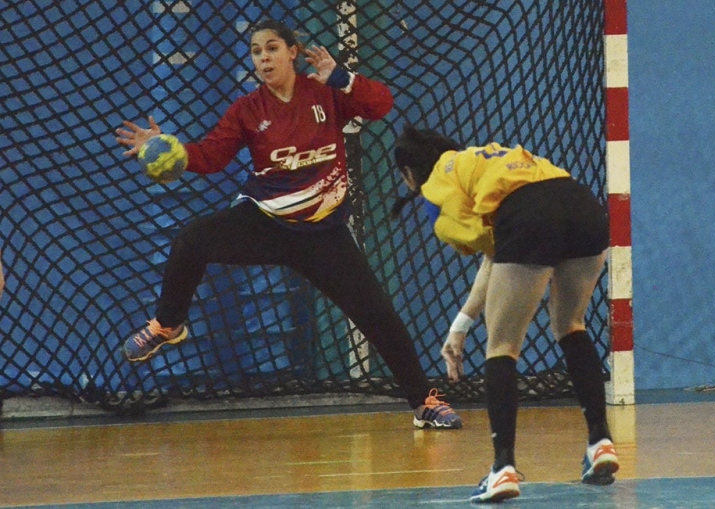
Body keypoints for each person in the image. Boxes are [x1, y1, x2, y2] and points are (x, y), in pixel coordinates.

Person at [114, 20, 462, 430]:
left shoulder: (325, 93)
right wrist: (166, 150)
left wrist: (343, 78)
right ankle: (168, 324)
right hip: (265, 222)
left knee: (378, 316)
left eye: (272, 48)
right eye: (256, 51)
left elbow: (381, 105)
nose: (263, 58)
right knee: (193, 239)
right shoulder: (247, 109)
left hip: (323, 234)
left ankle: (423, 403)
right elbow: (212, 156)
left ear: (292, 52)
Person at [392, 124, 619, 502]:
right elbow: (499, 250)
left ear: (409, 174)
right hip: (583, 206)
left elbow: (494, 251)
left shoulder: (437, 187)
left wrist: (462, 326)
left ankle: (503, 469)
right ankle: (601, 442)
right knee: (570, 324)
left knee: (502, 345)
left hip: (530, 213)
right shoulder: (487, 159)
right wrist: (461, 322)